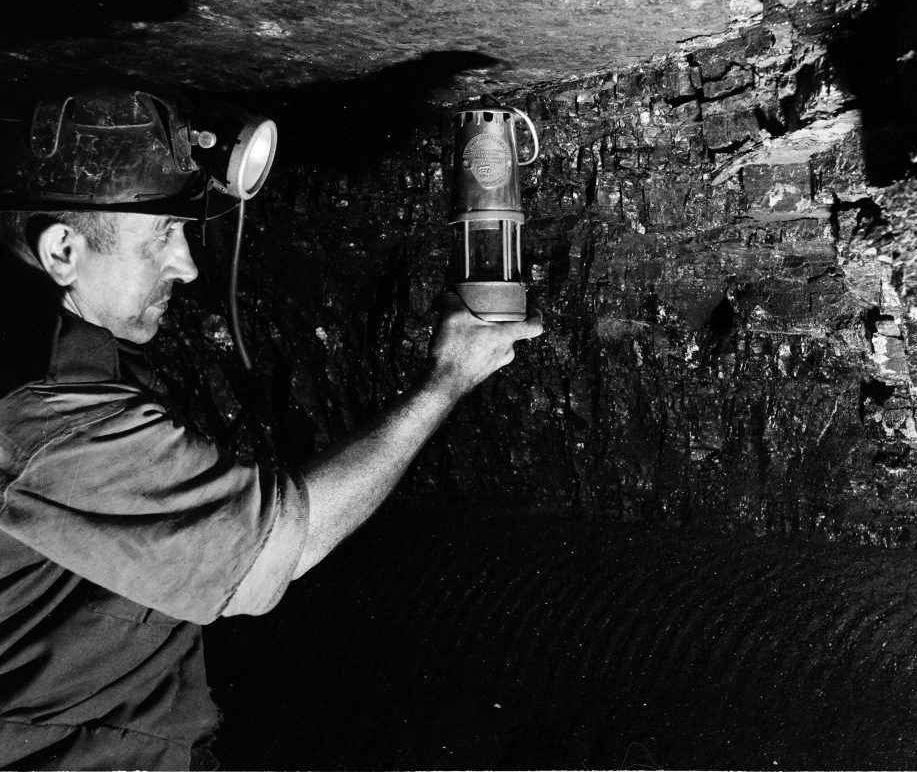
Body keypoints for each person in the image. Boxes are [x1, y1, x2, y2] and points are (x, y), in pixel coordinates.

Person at [0, 85, 543, 770]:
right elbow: (278, 550)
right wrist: (444, 383)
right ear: (61, 251)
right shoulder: (50, 423)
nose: (189, 266)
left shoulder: (38, 343)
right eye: (163, 236)